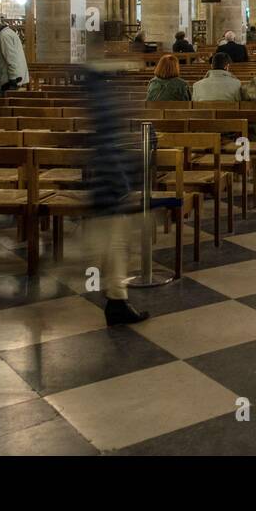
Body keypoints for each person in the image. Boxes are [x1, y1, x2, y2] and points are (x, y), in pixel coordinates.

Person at [80, 52, 150, 326]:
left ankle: (115, 297)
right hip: (110, 183)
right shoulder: (104, 106)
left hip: (105, 182)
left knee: (113, 244)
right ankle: (116, 300)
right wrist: (125, 183)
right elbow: (110, 146)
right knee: (115, 243)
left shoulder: (97, 103)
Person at [0, 14, 29, 94]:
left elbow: (11, 58)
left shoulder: (4, 36)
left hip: (10, 79)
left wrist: (12, 79)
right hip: (10, 77)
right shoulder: (5, 33)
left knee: (7, 103)